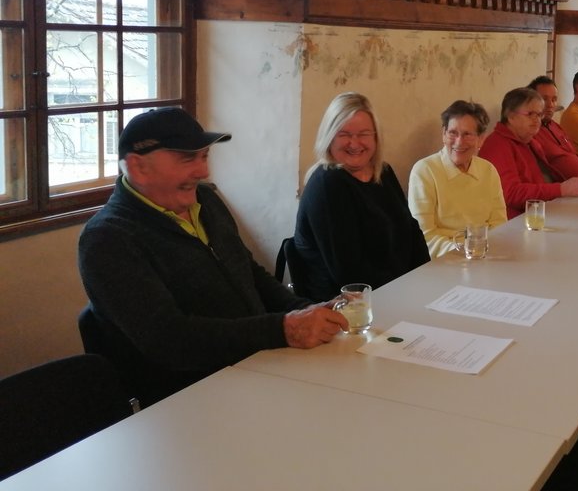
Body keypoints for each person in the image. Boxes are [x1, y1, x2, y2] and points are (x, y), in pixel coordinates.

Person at [78, 107, 347, 407]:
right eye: (187, 159)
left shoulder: (205, 200)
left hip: (261, 366)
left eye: (204, 156)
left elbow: (249, 272)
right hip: (192, 400)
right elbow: (170, 341)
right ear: (139, 168)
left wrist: (304, 310)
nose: (203, 171)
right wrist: (283, 329)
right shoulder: (108, 238)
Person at [293, 93, 429, 302]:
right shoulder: (327, 184)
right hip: (346, 305)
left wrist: (424, 280)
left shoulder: (383, 172)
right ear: (329, 137)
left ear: (375, 137)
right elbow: (350, 274)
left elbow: (411, 232)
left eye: (364, 134)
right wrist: (405, 292)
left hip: (394, 292)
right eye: (344, 134)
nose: (354, 143)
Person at [408, 100, 508, 258]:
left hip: (484, 256)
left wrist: (483, 253)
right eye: (453, 133)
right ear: (443, 134)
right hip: (442, 261)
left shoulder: (488, 170)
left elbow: (499, 226)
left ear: (481, 139)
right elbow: (423, 236)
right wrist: (465, 251)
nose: (459, 142)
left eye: (467, 134)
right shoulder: (425, 171)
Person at [479, 87, 578, 218]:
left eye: (539, 114)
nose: (537, 120)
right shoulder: (497, 145)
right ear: (511, 116)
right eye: (530, 114)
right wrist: (561, 189)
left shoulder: (531, 141)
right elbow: (511, 194)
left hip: (542, 210)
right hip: (514, 221)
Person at [527, 75, 578, 180]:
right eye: (544, 99)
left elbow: (575, 155)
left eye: (554, 99)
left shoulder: (555, 126)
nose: (550, 104)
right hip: (566, 187)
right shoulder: (530, 132)